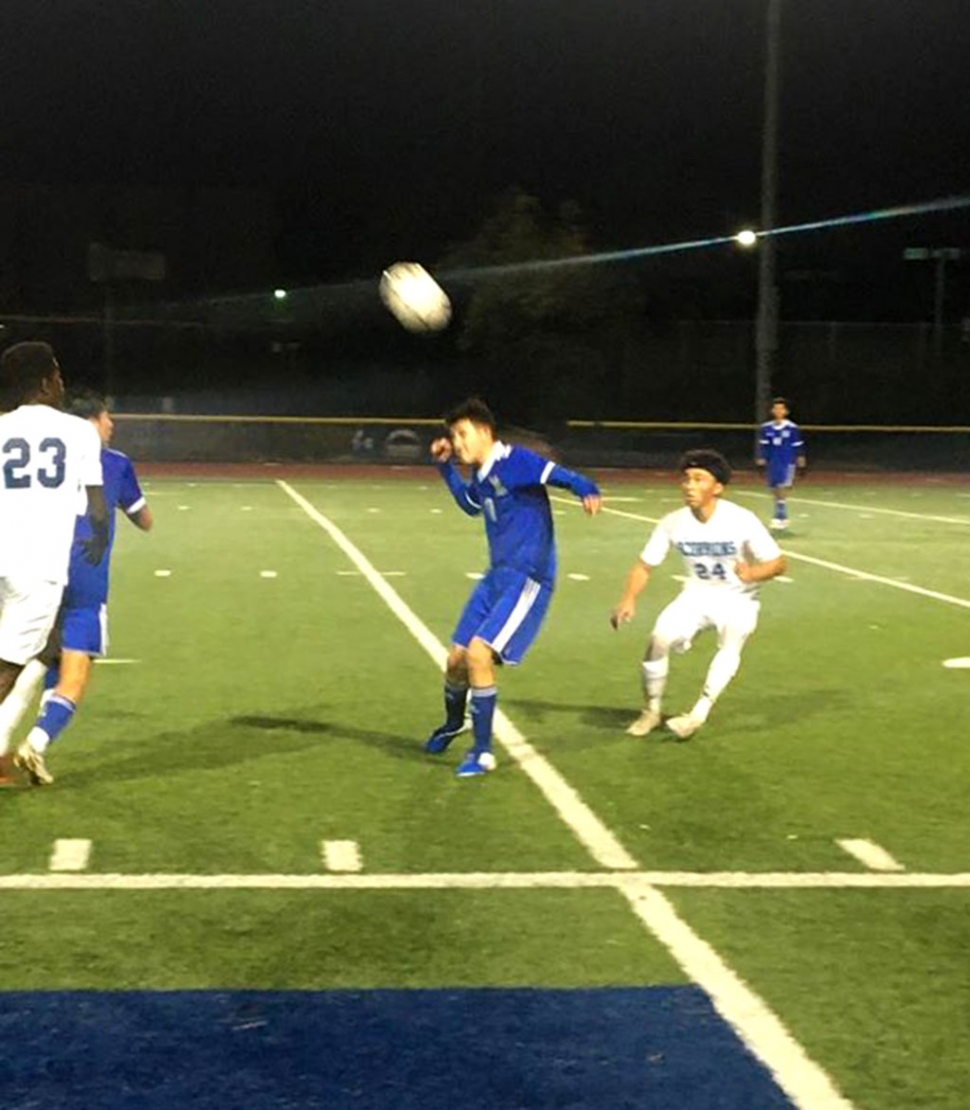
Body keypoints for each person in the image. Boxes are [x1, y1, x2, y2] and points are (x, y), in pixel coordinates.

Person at [425, 398, 601, 777]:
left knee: (477, 655)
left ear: (485, 432)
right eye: (453, 435)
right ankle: (455, 722)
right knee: (455, 662)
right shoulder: (484, 474)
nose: (457, 442)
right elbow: (472, 504)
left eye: (462, 433)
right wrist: (445, 468)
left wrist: (587, 488)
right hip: (497, 578)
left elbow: (560, 475)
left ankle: (483, 753)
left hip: (528, 578)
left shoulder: (514, 461)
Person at [0, 389, 153, 785]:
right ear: (91, 422)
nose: (111, 425)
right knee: (75, 670)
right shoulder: (114, 463)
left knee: (31, 659)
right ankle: (36, 741)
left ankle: (3, 746)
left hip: (30, 565)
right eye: (106, 417)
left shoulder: (26, 442)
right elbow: (144, 519)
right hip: (82, 575)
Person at [611, 449, 785, 740]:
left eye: (699, 479)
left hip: (738, 598)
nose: (689, 485)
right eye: (687, 479)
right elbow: (644, 565)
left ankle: (698, 713)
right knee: (658, 639)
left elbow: (778, 563)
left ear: (717, 488)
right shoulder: (672, 522)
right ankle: (651, 711)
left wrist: (753, 574)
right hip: (696, 595)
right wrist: (628, 599)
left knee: (730, 646)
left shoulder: (741, 519)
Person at [0, 343, 107, 779]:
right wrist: (98, 539)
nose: (62, 383)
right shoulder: (78, 432)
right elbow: (96, 506)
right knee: (7, 666)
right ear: (45, 381)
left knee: (36, 650)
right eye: (58, 375)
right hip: (37, 566)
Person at [756, 397, 806, 530]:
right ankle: (780, 513)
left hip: (787, 460)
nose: (778, 411)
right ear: (772, 411)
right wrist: (761, 460)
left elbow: (798, 446)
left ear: (786, 411)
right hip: (773, 461)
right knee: (774, 487)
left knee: (783, 486)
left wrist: (801, 462)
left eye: (781, 408)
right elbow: (763, 446)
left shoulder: (792, 428)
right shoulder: (766, 428)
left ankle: (780, 514)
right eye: (776, 408)